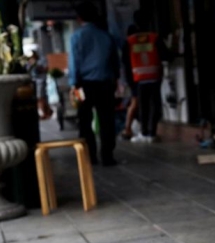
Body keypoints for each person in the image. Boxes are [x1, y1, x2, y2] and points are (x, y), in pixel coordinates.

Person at [68, 1, 120, 166]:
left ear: (79, 18)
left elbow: (74, 63)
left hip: (83, 85)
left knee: (84, 121)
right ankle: (107, 155)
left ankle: (90, 156)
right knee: (107, 120)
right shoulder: (106, 36)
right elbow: (115, 62)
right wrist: (115, 79)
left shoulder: (76, 37)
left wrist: (73, 84)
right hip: (105, 83)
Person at [125, 11, 170, 143]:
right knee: (155, 105)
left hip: (138, 78)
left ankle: (144, 133)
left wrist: (129, 80)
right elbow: (166, 55)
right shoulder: (155, 38)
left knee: (142, 106)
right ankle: (152, 133)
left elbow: (125, 62)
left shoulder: (130, 41)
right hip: (154, 76)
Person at [120, 23, 140, 140]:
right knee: (135, 102)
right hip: (135, 77)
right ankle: (127, 128)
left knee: (135, 102)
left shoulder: (128, 44)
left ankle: (128, 128)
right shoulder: (130, 43)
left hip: (133, 77)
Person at [26, 51, 53, 120]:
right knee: (39, 97)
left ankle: (43, 112)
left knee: (41, 97)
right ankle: (44, 111)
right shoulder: (29, 62)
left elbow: (46, 68)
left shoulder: (41, 60)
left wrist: (38, 66)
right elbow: (27, 70)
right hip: (33, 81)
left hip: (41, 80)